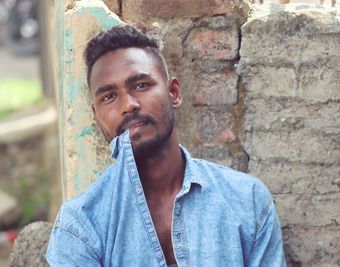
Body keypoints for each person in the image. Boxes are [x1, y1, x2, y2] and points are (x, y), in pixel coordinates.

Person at [46, 24, 286, 267]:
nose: (128, 105)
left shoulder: (247, 201)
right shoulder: (79, 226)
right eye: (109, 96)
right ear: (97, 118)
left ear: (174, 93)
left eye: (141, 85)